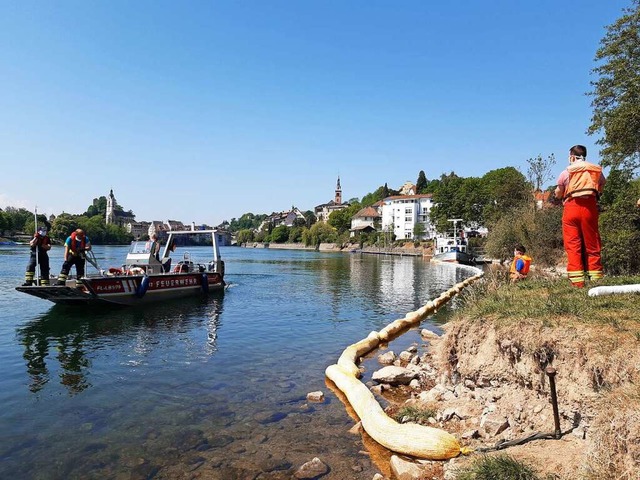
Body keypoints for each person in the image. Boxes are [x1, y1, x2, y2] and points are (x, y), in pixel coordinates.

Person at [554, 145, 606, 288]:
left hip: (571, 208)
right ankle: (596, 279)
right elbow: (602, 185)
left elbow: (559, 192)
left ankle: (577, 282)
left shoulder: (567, 172)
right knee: (593, 243)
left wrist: (557, 195)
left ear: (571, 156)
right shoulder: (595, 171)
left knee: (573, 245)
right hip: (590, 208)